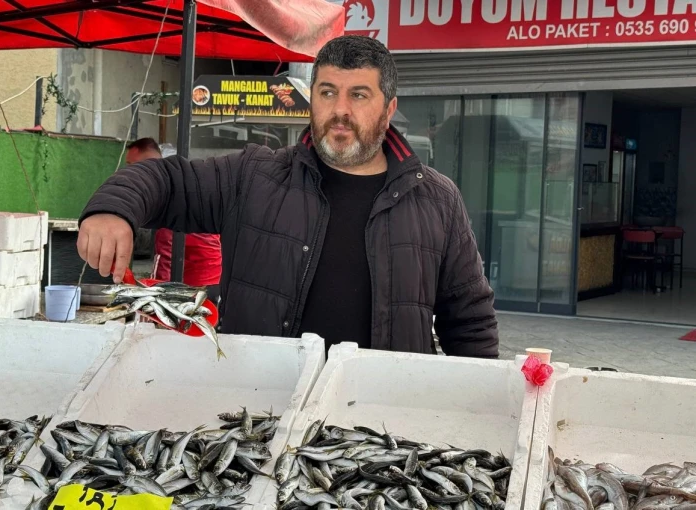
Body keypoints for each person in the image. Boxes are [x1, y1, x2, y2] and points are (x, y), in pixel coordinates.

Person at [78, 35, 499, 357]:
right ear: (312, 99)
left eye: (359, 95)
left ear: (389, 109)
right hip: (260, 415)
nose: (340, 110)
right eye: (328, 92)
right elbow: (168, 181)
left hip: (384, 427)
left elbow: (470, 321)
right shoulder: (254, 174)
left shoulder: (437, 200)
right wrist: (113, 209)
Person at [125, 138, 222, 304]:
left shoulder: (167, 197)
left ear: (144, 165)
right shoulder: (187, 184)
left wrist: (154, 296)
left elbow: (166, 256)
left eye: (130, 165)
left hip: (193, 285)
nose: (127, 171)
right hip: (214, 275)